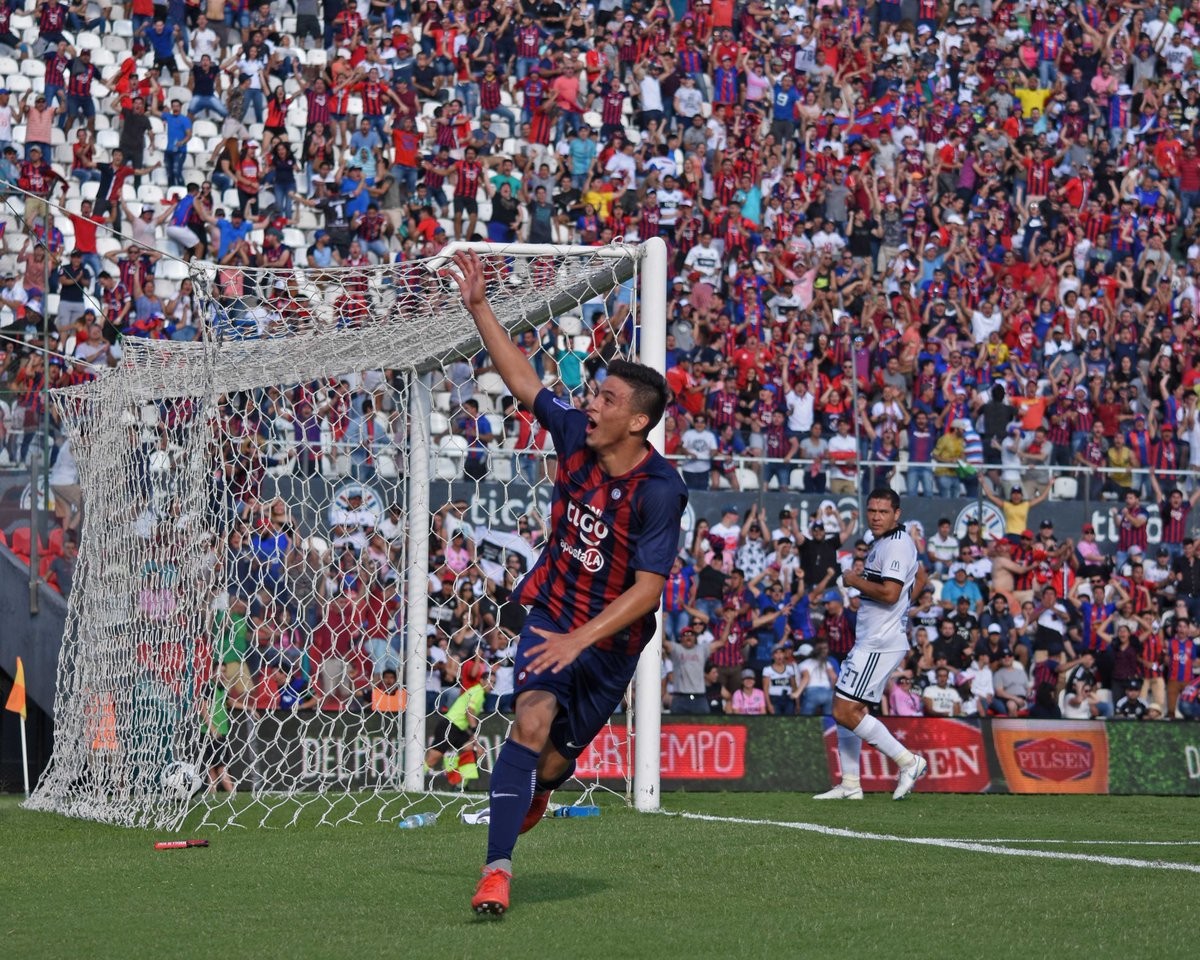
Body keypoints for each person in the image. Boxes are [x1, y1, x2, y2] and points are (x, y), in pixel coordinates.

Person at [446, 251, 687, 917]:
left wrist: (584, 639)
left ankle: (544, 788)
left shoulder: (661, 490)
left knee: (551, 764)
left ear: (637, 420)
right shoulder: (575, 435)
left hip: (608, 646)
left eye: (607, 397)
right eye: (595, 391)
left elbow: (647, 591)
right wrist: (478, 308)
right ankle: (496, 873)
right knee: (528, 721)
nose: (592, 400)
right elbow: (525, 381)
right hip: (553, 615)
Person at [814, 488, 928, 801]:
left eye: (883, 512)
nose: (876, 517)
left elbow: (890, 594)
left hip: (879, 642)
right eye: (872, 510)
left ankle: (908, 761)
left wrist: (853, 581)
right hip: (874, 637)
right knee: (849, 709)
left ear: (897, 514)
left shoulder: (896, 546)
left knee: (844, 709)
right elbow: (921, 577)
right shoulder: (886, 541)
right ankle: (850, 784)